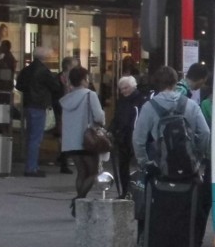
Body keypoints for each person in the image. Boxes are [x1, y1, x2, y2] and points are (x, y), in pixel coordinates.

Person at [134, 66, 212, 247]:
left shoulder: (149, 107)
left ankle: (153, 240)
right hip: (189, 166)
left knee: (154, 201)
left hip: (161, 166)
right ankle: (187, 241)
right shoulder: (190, 105)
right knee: (191, 202)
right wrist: (198, 156)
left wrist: (145, 162)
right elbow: (206, 133)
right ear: (175, 81)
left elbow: (138, 139)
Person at [59, 67, 106, 216]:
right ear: (84, 79)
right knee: (93, 172)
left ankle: (79, 203)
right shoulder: (89, 95)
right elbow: (99, 116)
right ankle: (79, 200)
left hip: (71, 141)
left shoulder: (66, 99)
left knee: (81, 172)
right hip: (88, 139)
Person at [15, 47, 64, 177]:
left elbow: (19, 85)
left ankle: (32, 165)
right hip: (38, 105)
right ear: (45, 58)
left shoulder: (27, 70)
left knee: (31, 136)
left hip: (28, 104)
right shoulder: (44, 71)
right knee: (36, 138)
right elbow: (55, 86)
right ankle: (31, 168)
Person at [110, 75, 147, 198]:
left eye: (125, 88)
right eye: (121, 89)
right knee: (123, 167)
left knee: (138, 165)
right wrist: (111, 130)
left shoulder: (141, 100)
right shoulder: (122, 100)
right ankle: (125, 191)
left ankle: (138, 192)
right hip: (123, 138)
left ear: (133, 86)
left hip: (135, 136)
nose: (123, 91)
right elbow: (117, 118)